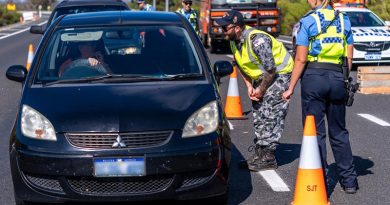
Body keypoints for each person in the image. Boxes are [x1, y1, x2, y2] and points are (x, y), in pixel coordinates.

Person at [282, 0, 358, 194]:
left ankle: (320, 179)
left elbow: (301, 58)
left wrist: (290, 87)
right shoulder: (344, 20)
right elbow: (349, 57)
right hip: (338, 76)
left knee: (315, 132)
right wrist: (343, 78)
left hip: (314, 77)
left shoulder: (307, 21)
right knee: (339, 131)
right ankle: (349, 181)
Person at [216, 10, 294, 171]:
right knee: (259, 112)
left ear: (237, 27)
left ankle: (268, 156)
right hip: (262, 77)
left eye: (225, 28)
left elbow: (271, 70)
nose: (222, 31)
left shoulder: (257, 40)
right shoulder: (233, 41)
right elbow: (241, 65)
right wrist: (250, 87)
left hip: (280, 74)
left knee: (271, 113)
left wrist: (261, 89)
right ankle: (260, 153)